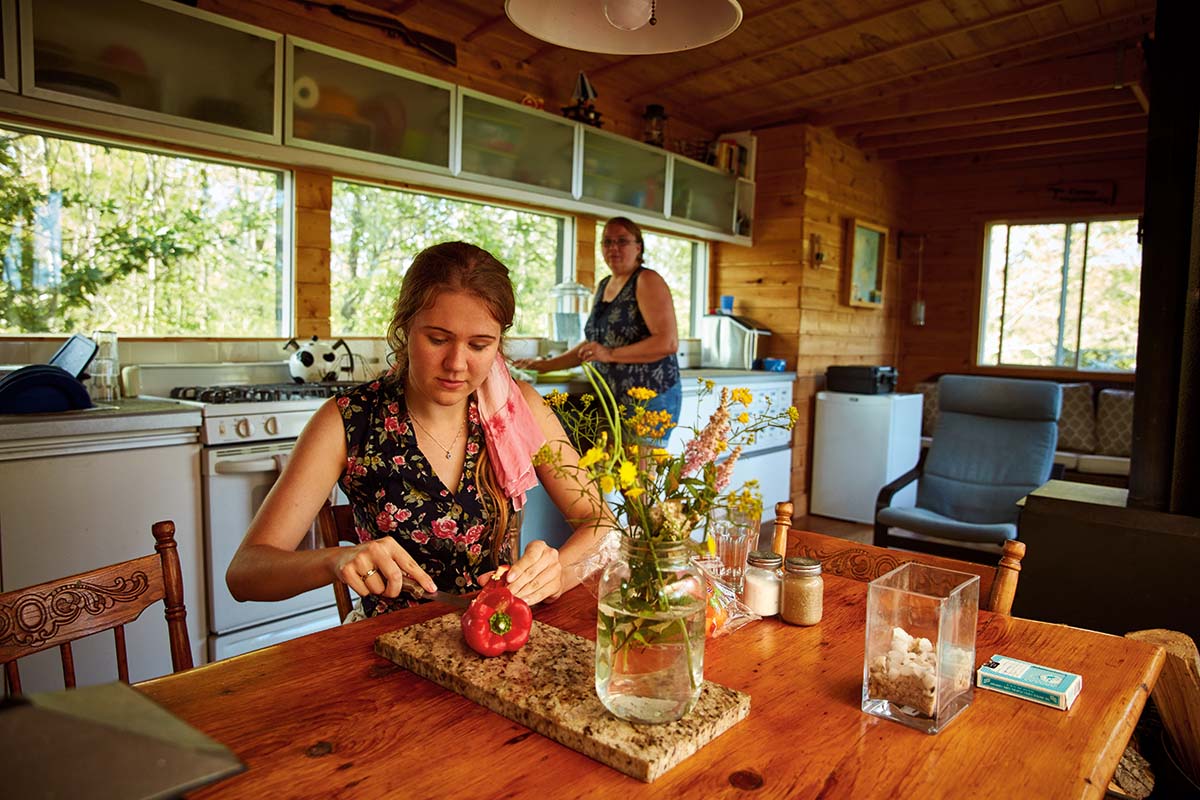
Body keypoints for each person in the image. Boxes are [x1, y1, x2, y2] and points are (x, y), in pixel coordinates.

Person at [226, 242, 610, 616]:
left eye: (479, 345)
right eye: (438, 339)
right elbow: (245, 573)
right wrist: (336, 559)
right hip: (383, 648)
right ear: (405, 326)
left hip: (495, 634)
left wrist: (557, 571)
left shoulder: (515, 407)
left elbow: (603, 525)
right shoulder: (348, 420)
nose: (456, 363)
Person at [516, 216, 682, 440]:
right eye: (607, 242)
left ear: (638, 247)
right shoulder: (605, 284)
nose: (613, 248)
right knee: (612, 473)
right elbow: (593, 345)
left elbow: (667, 343)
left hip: (648, 399)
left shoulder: (647, 279)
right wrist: (544, 366)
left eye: (622, 241)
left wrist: (610, 354)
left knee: (640, 473)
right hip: (613, 399)